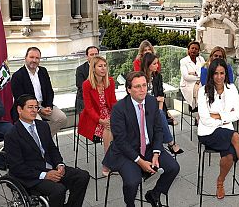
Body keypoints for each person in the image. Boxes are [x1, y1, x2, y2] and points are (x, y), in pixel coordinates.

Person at [103, 71, 180, 207]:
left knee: (173, 167)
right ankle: (130, 204)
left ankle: (154, 194)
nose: (142, 89)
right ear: (129, 89)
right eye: (137, 86)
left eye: (144, 85)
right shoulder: (119, 109)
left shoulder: (151, 102)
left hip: (149, 147)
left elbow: (158, 129)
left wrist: (156, 153)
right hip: (126, 152)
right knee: (133, 181)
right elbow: (120, 141)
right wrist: (140, 161)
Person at [5, 94, 90, 207]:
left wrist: (59, 164)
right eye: (30, 107)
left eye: (36, 107)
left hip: (50, 167)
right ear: (19, 109)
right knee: (58, 190)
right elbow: (17, 167)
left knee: (82, 176)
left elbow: (52, 149)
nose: (34, 110)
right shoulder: (12, 135)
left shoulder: (43, 126)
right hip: (31, 175)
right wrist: (44, 175)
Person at [197, 59, 239, 199]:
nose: (219, 77)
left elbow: (237, 114)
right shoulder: (203, 91)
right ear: (211, 74)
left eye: (222, 73)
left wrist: (217, 116)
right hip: (208, 132)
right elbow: (204, 118)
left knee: (229, 156)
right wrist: (225, 117)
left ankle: (220, 182)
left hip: (225, 130)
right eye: (216, 73)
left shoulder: (231, 89)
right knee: (235, 136)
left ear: (226, 74)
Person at [11, 46, 67, 138]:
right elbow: (20, 99)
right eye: (31, 57)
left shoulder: (43, 71)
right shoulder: (17, 76)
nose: (34, 60)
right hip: (28, 107)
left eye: (37, 58)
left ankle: (44, 138)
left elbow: (49, 91)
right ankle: (41, 140)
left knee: (62, 118)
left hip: (44, 104)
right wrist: (39, 109)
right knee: (39, 125)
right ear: (25, 58)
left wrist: (48, 106)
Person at [78, 54, 117, 175]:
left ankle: (116, 160)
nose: (103, 68)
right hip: (94, 117)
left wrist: (117, 115)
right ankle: (107, 163)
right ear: (93, 68)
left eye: (105, 65)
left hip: (109, 113)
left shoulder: (110, 81)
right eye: (100, 66)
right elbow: (89, 108)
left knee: (121, 124)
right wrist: (101, 120)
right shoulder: (87, 84)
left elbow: (113, 101)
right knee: (108, 128)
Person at [141, 52, 183, 156]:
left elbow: (161, 96)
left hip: (156, 108)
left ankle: (162, 144)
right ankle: (170, 143)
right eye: (154, 64)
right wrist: (156, 99)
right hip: (143, 107)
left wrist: (159, 108)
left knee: (159, 114)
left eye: (157, 63)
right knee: (159, 115)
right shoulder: (140, 78)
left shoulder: (158, 76)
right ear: (148, 64)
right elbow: (141, 97)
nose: (157, 66)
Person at [179, 41, 205, 111]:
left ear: (198, 51)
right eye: (192, 48)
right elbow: (186, 77)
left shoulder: (201, 59)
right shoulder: (183, 61)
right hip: (188, 84)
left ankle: (201, 109)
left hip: (199, 82)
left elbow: (203, 72)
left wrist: (193, 74)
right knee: (201, 90)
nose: (194, 50)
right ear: (188, 49)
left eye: (196, 49)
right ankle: (197, 107)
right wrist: (198, 77)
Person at [75, 46, 100, 114]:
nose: (94, 56)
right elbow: (81, 87)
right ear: (87, 57)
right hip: (86, 98)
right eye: (92, 55)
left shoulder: (104, 67)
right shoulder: (80, 69)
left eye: (96, 54)